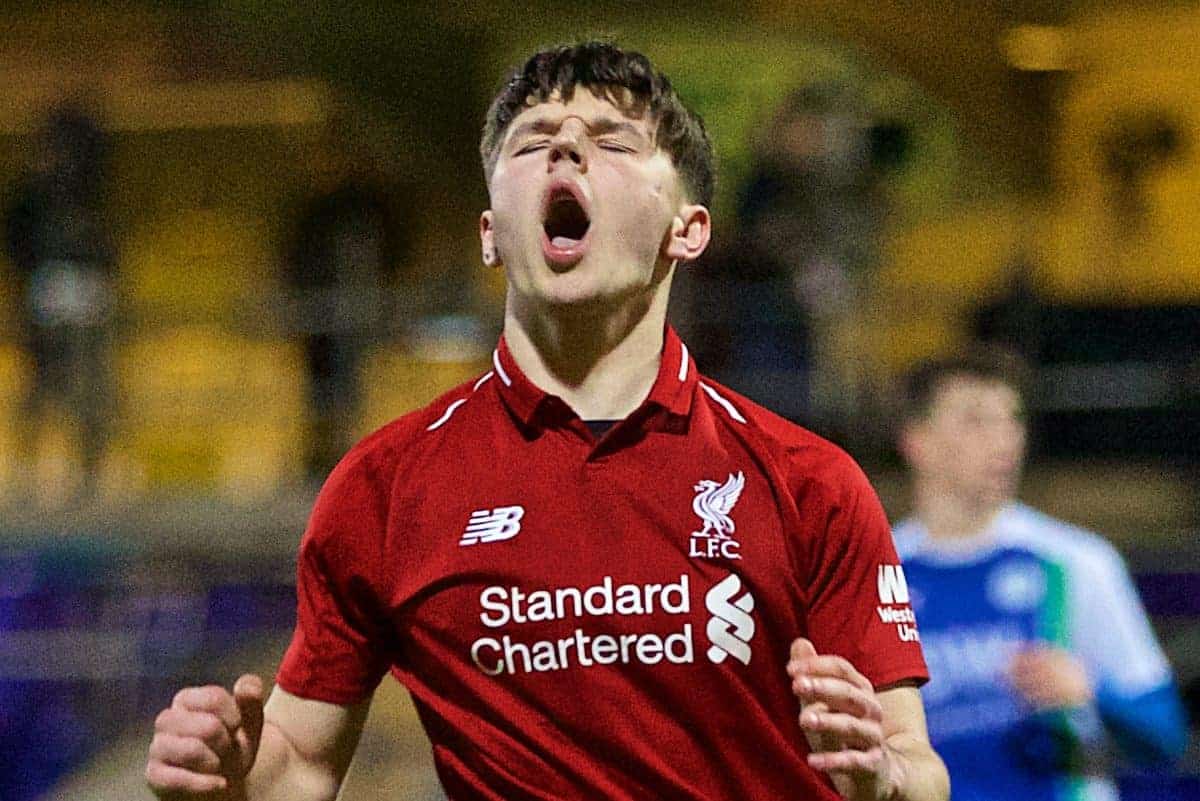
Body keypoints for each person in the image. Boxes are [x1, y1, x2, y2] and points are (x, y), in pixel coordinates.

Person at [146, 41, 948, 801]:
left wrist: (884, 772)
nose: (565, 148)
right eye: (532, 144)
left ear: (688, 229)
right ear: (491, 234)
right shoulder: (384, 487)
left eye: (612, 141)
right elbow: (302, 762)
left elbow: (920, 765)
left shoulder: (809, 480)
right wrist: (233, 774)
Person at [892, 346, 1188, 801]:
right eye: (977, 421)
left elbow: (1166, 735)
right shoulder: (880, 569)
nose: (1004, 440)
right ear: (917, 441)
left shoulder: (1076, 562)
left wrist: (1092, 691)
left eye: (1012, 420)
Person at [4, 101, 116, 501]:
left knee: (87, 387)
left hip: (80, 289)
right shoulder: (34, 195)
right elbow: (18, 240)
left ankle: (88, 472)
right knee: (43, 383)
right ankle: (29, 468)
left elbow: (104, 245)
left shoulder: (91, 187)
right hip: (48, 290)